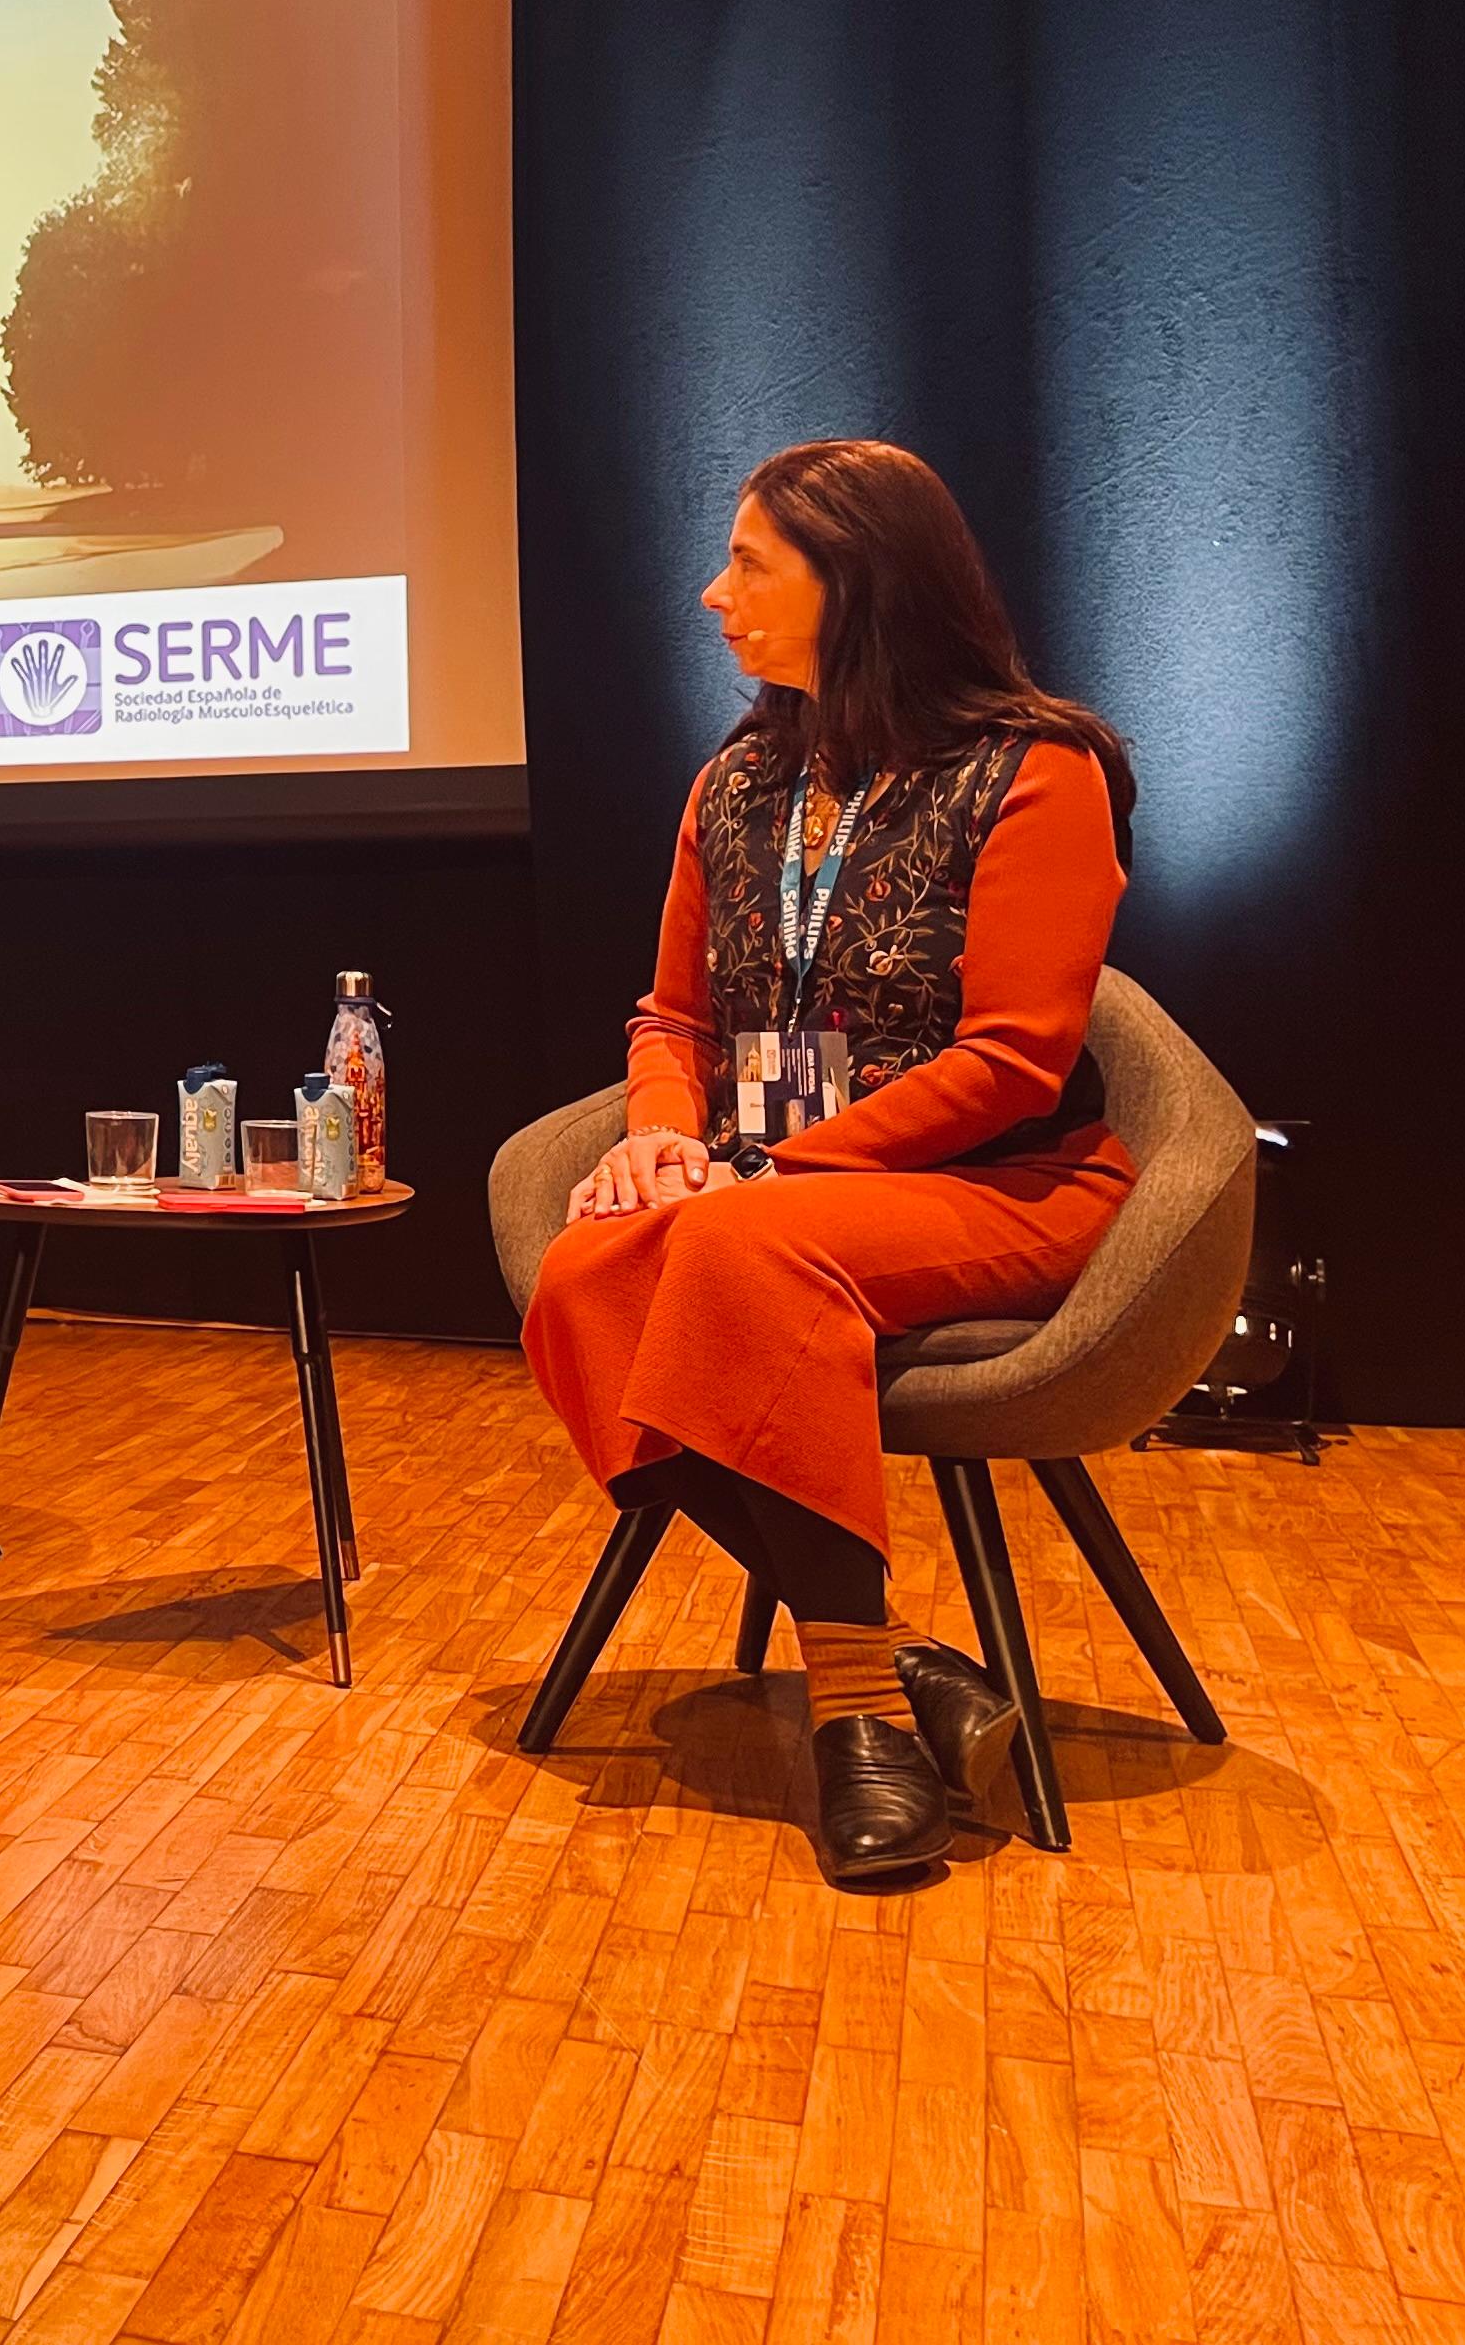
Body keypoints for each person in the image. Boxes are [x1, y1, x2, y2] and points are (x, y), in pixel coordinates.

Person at [522, 439, 1139, 1885]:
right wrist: (665, 1134)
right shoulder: (736, 782)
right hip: (779, 1192)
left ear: (857, 581)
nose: (710, 594)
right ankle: (910, 1664)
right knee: (581, 1280)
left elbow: (1012, 1064)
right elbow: (671, 1014)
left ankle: (856, 1723)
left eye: (748, 564)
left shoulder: (1039, 772)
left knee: (740, 1249)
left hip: (1010, 1187)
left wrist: (764, 1181)